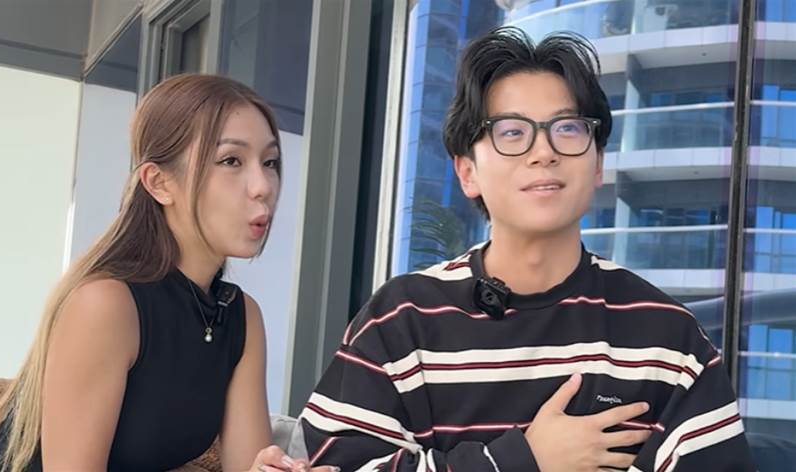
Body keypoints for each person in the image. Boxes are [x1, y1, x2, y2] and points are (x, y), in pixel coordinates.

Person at [300, 27, 755, 472]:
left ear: (598, 163)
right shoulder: (401, 319)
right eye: (512, 132)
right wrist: (520, 460)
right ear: (467, 172)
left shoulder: (668, 338)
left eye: (568, 128)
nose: (544, 152)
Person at [0, 74, 335, 472]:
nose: (263, 186)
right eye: (231, 161)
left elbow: (248, 466)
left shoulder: (241, 317)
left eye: (270, 162)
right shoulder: (106, 305)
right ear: (159, 183)